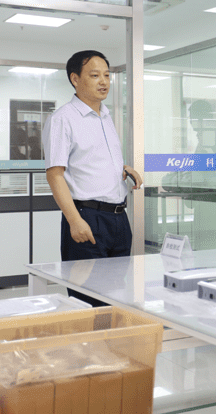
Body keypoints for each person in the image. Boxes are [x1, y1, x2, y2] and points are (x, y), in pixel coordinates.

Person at [42, 50, 143, 307]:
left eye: (107, 75)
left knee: (116, 296)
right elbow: (55, 174)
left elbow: (90, 160)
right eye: (95, 75)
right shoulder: (63, 119)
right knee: (86, 299)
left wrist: (122, 168)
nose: (104, 82)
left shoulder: (105, 116)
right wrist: (74, 220)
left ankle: (110, 335)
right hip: (87, 217)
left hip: (118, 219)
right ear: (75, 79)